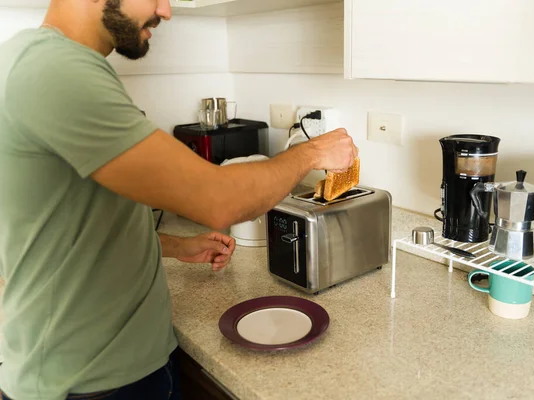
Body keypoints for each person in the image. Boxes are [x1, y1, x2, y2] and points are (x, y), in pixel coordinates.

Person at [0, 0, 358, 399]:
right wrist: (309, 153)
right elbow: (217, 201)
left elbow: (63, 221)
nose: (166, 10)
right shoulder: (57, 69)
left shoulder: (36, 59)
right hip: (89, 379)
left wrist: (171, 247)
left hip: (107, 366)